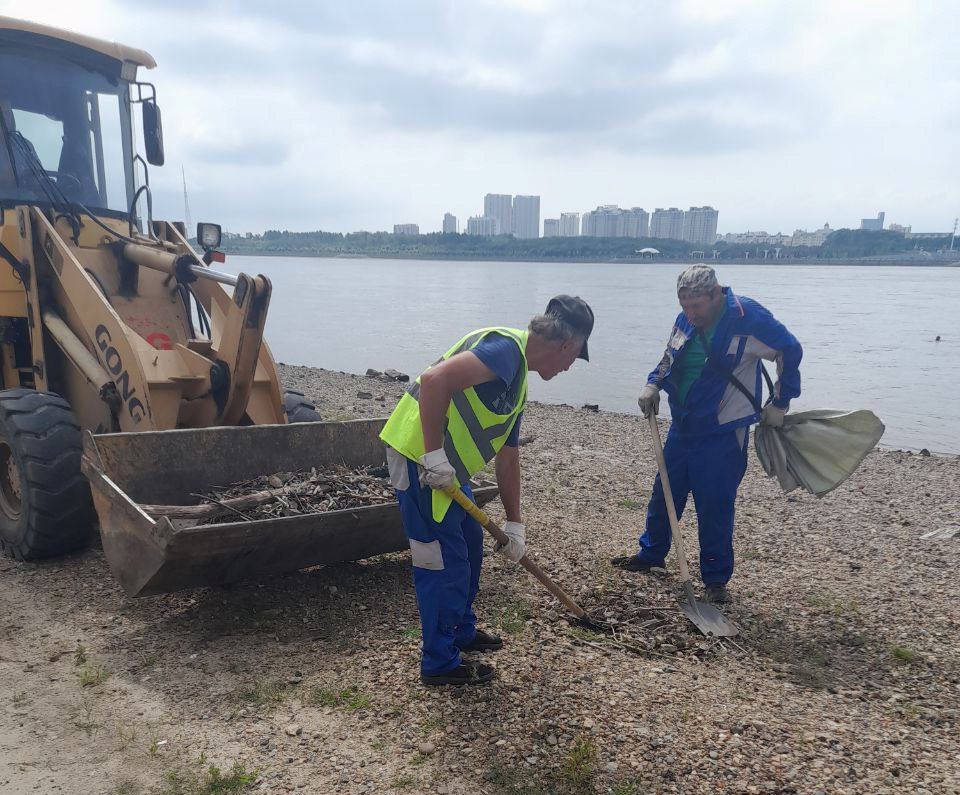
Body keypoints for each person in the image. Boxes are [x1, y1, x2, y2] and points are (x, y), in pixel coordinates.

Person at [380, 295, 594, 686]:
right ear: (568, 345)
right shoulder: (506, 350)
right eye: (574, 358)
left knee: (469, 545)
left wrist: (515, 526)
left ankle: (460, 631)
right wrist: (432, 456)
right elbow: (434, 380)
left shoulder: (518, 383)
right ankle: (439, 662)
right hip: (419, 458)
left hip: (445, 466)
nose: (568, 368)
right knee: (441, 559)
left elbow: (508, 459)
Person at [613, 265, 802, 604]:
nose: (690, 313)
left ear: (716, 293)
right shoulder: (686, 319)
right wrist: (653, 383)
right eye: (685, 305)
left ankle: (715, 580)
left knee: (715, 503)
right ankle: (652, 553)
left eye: (696, 306)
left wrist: (781, 402)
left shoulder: (749, 317)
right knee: (666, 491)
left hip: (723, 430)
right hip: (684, 425)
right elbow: (670, 355)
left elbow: (789, 349)